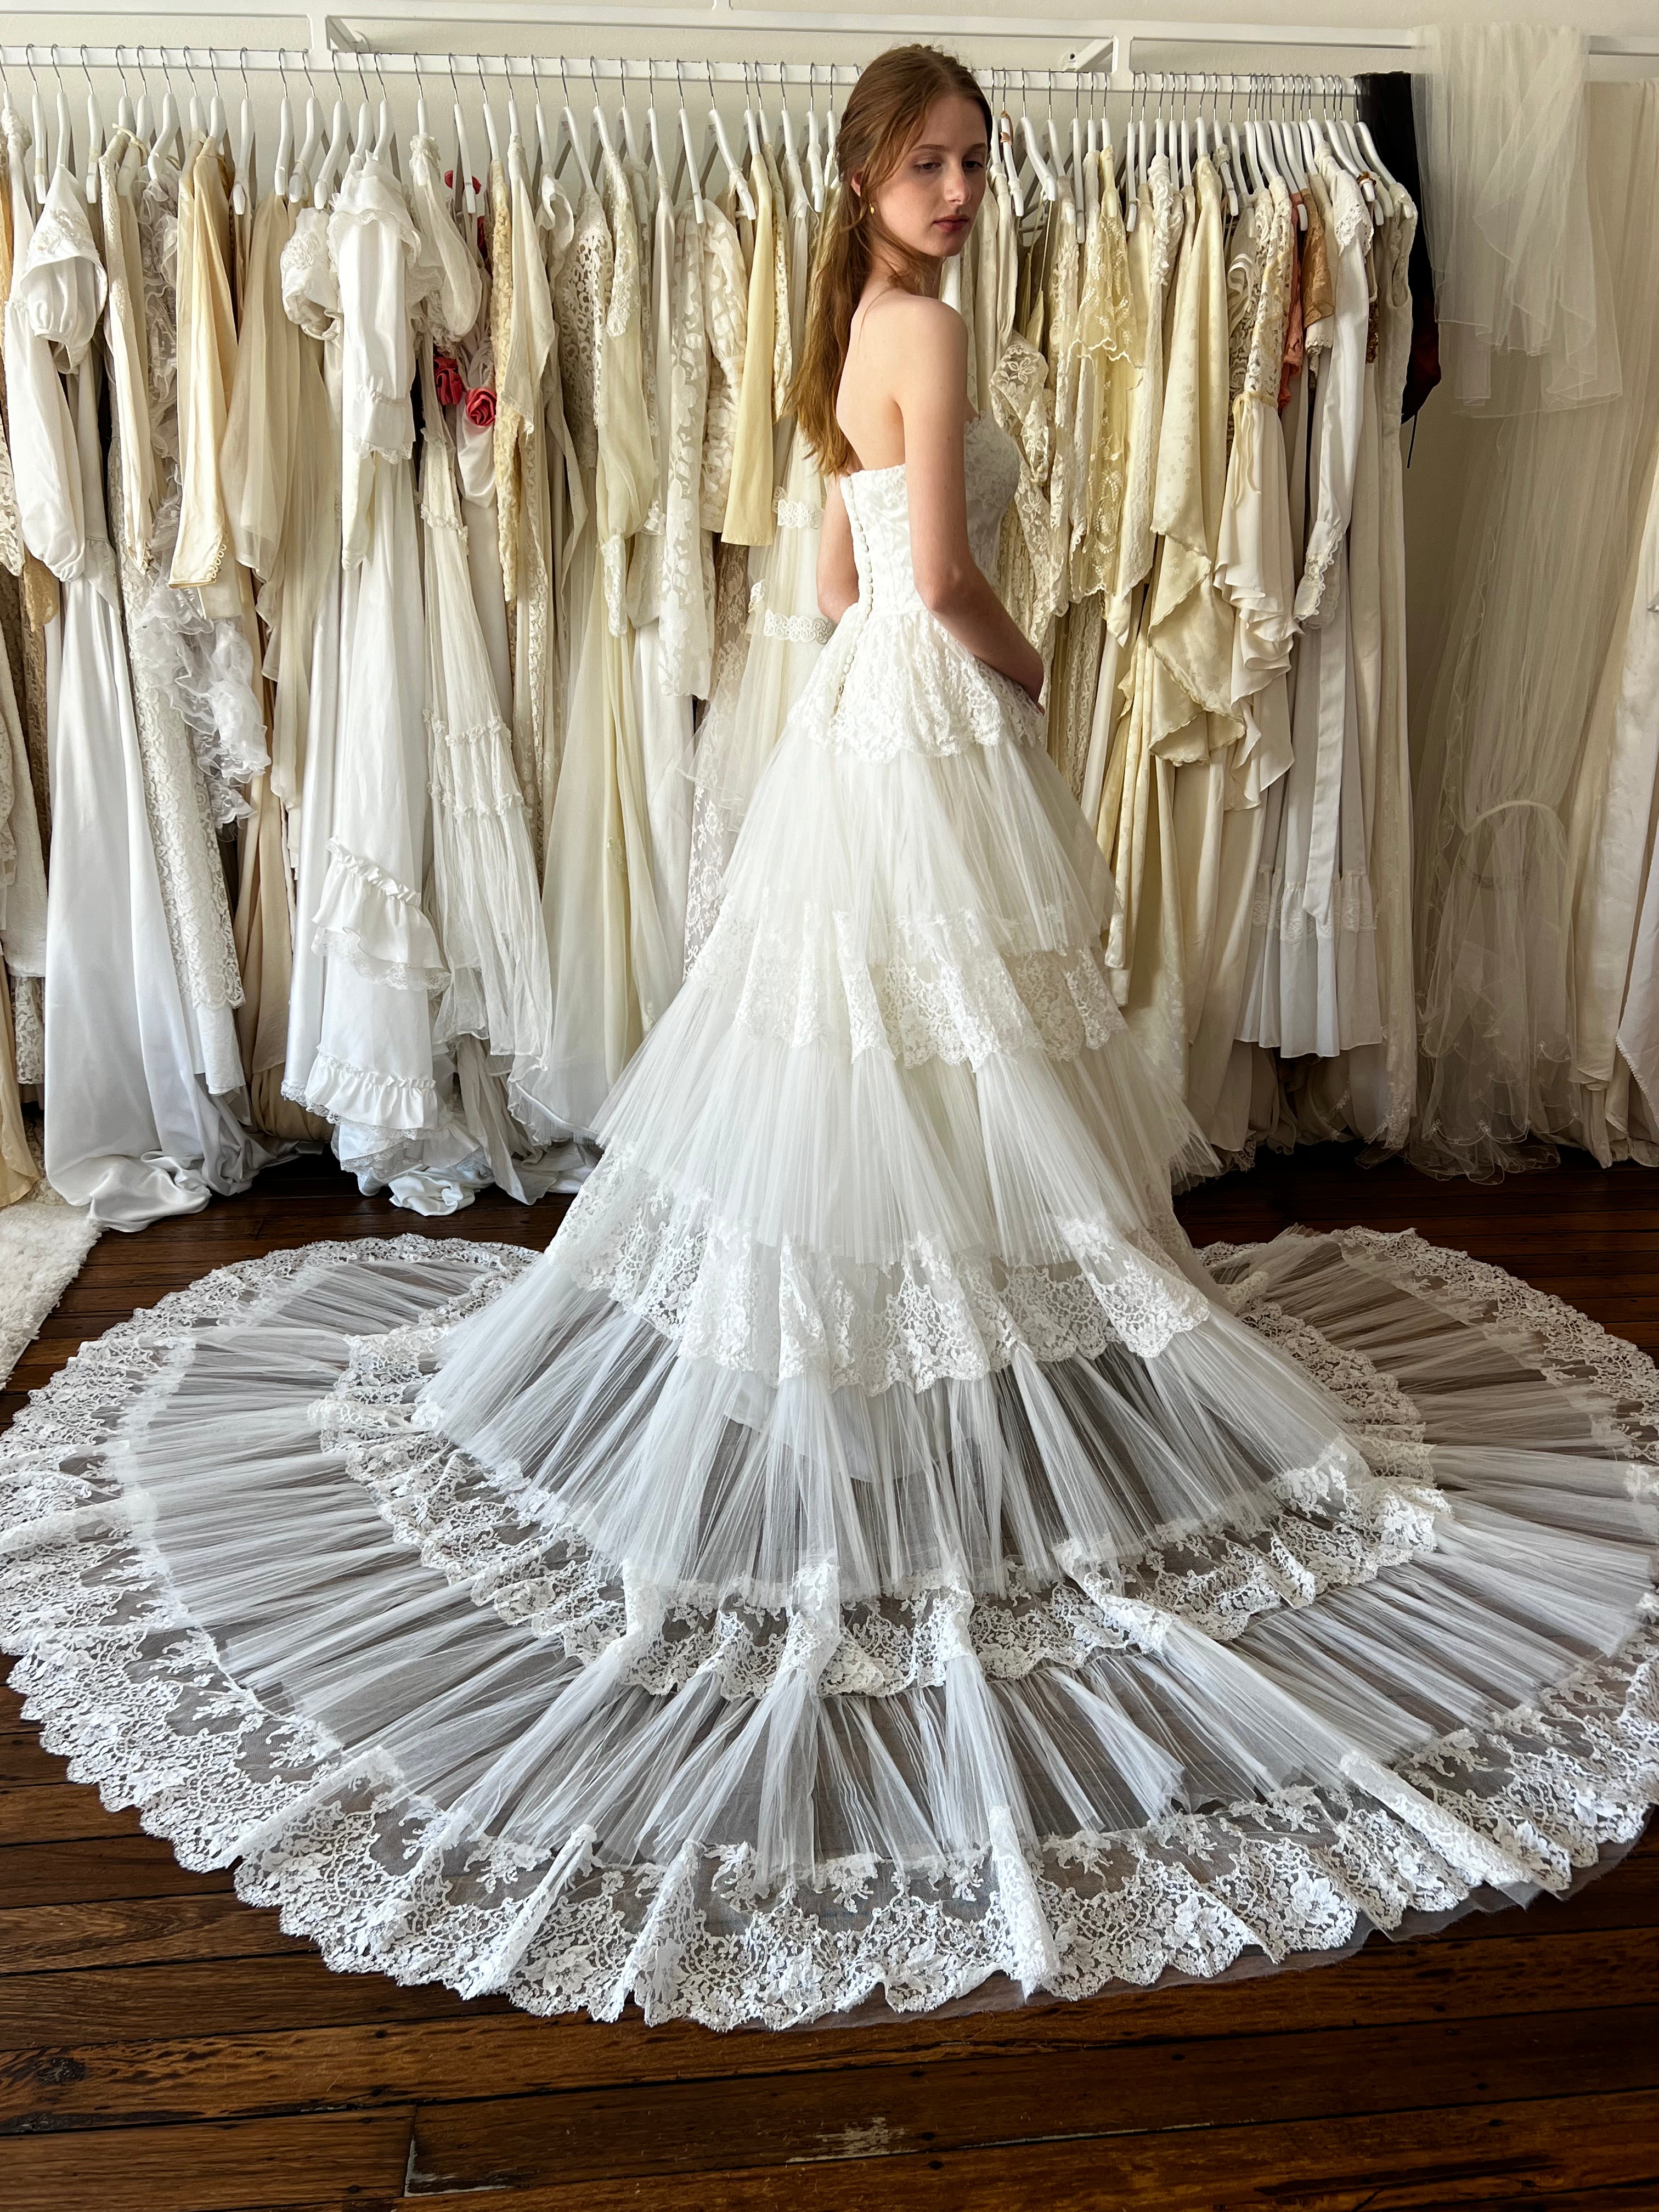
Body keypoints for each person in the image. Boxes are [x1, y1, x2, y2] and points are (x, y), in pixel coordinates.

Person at [2, 47, 1655, 2035]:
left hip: (857, 726)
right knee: (949, 1051)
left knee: (880, 1055)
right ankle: (932, 1401)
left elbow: (831, 577)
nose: (961, 188)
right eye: (932, 161)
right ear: (870, 171)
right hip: (932, 721)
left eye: (975, 160)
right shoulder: (927, 330)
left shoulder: (849, 324)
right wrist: (1029, 676)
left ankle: (883, 1384)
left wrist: (900, 677)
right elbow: (938, 582)